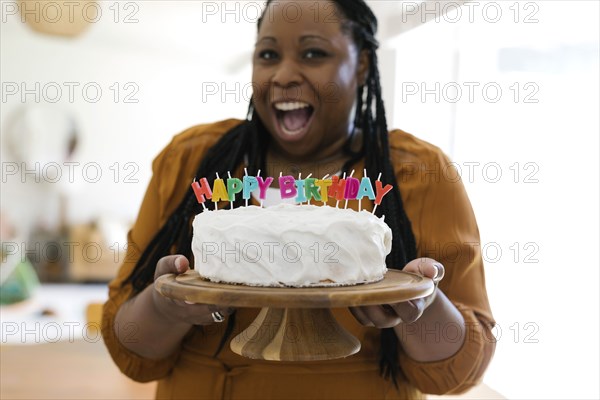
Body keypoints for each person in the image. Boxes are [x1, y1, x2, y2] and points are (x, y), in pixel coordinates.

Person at [102, 1, 496, 398]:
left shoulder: (420, 172)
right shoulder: (191, 159)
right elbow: (129, 349)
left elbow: (459, 370)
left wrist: (416, 305)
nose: (285, 75)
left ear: (361, 65)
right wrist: (166, 305)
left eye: (313, 53)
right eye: (269, 54)